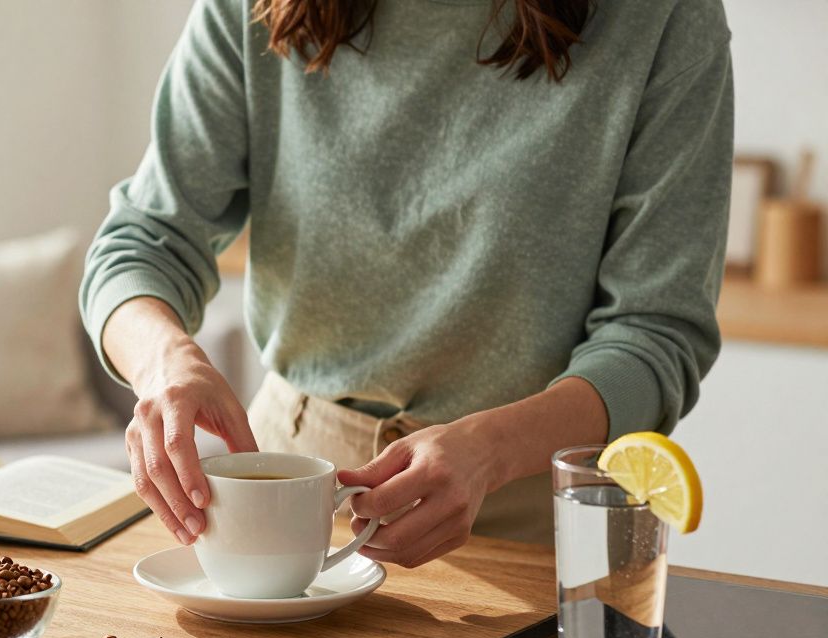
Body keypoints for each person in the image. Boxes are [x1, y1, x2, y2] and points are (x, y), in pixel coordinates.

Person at [80, 0, 732, 564]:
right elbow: (143, 241)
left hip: (541, 521)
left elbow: (654, 330)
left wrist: (494, 450)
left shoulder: (665, 19)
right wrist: (166, 362)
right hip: (287, 503)